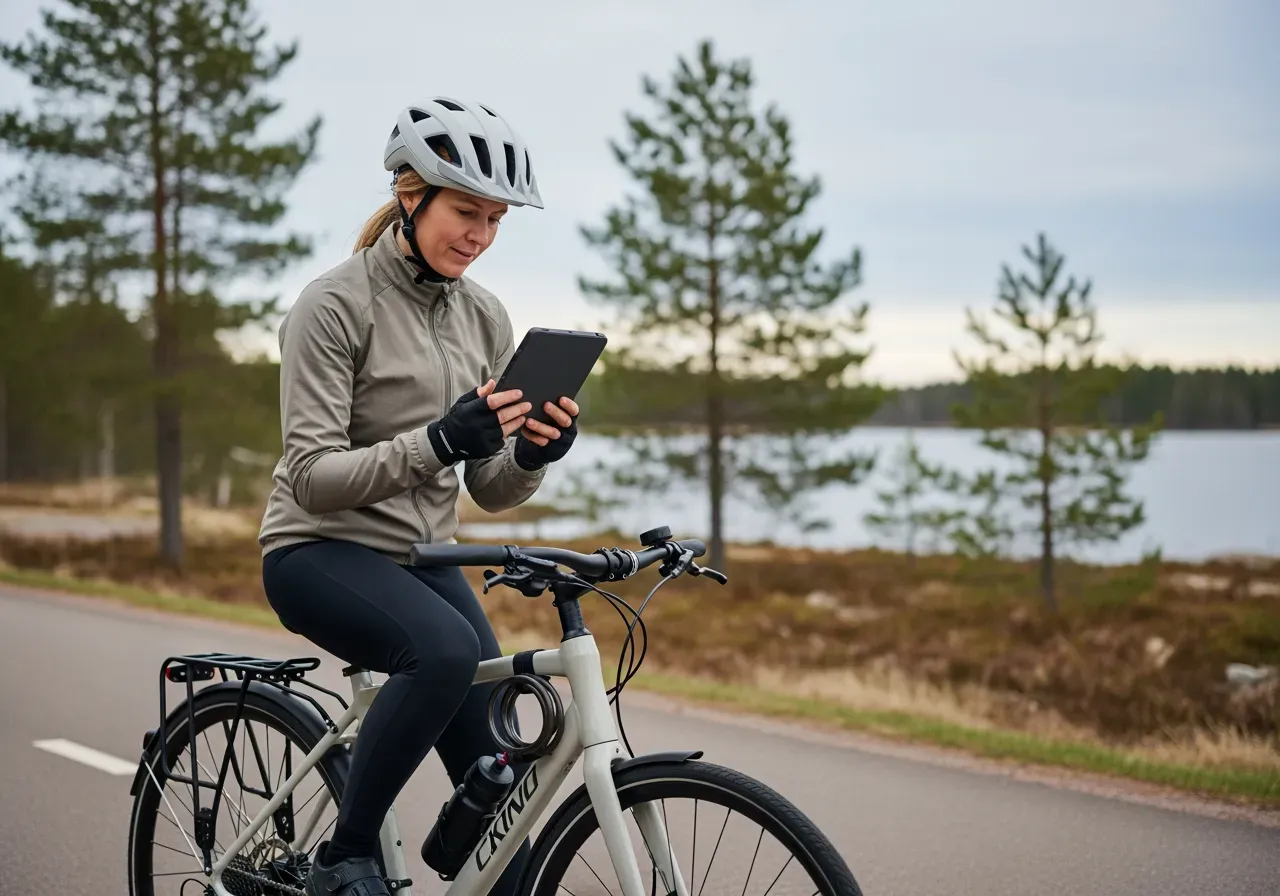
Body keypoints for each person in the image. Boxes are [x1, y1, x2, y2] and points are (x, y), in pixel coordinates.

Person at [257, 97, 578, 896]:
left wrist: (533, 452)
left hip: (422, 559)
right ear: (411, 195)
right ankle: (345, 854)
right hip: (315, 549)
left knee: (501, 782)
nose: (479, 235)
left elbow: (489, 487)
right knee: (442, 650)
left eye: (496, 219)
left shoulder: (485, 316)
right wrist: (436, 440)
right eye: (465, 211)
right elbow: (313, 477)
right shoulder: (333, 305)